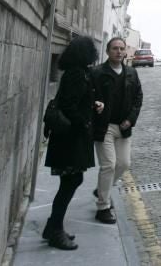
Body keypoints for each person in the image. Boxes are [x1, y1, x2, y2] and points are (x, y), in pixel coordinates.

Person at [43, 36, 104, 250]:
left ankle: (53, 226)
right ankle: (55, 230)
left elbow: (77, 101)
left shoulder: (77, 72)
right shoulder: (76, 74)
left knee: (71, 181)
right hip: (70, 138)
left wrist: (92, 105)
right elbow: (69, 106)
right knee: (70, 182)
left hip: (71, 137)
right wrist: (84, 123)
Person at [92, 37, 143, 224]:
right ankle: (103, 207)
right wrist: (94, 105)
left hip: (123, 127)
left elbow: (138, 98)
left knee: (123, 164)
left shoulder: (131, 73)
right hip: (104, 126)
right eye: (115, 48)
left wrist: (130, 120)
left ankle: (102, 188)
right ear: (108, 51)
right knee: (109, 165)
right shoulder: (97, 72)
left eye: (122, 48)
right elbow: (88, 95)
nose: (119, 52)